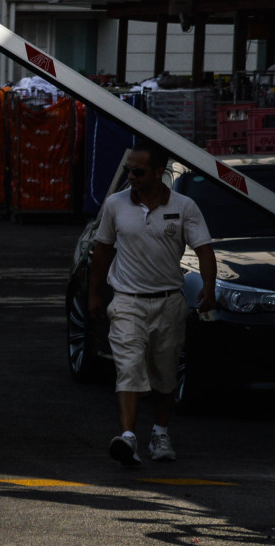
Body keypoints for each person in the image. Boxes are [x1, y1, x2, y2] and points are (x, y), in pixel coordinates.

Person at [88, 143, 216, 466]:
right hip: (127, 301)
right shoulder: (115, 205)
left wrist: (209, 287)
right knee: (128, 368)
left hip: (169, 302)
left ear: (160, 172)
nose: (130, 176)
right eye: (129, 169)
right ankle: (128, 438)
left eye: (138, 171)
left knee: (164, 375)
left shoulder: (185, 207)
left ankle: (160, 432)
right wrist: (93, 292)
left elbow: (204, 250)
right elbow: (102, 249)